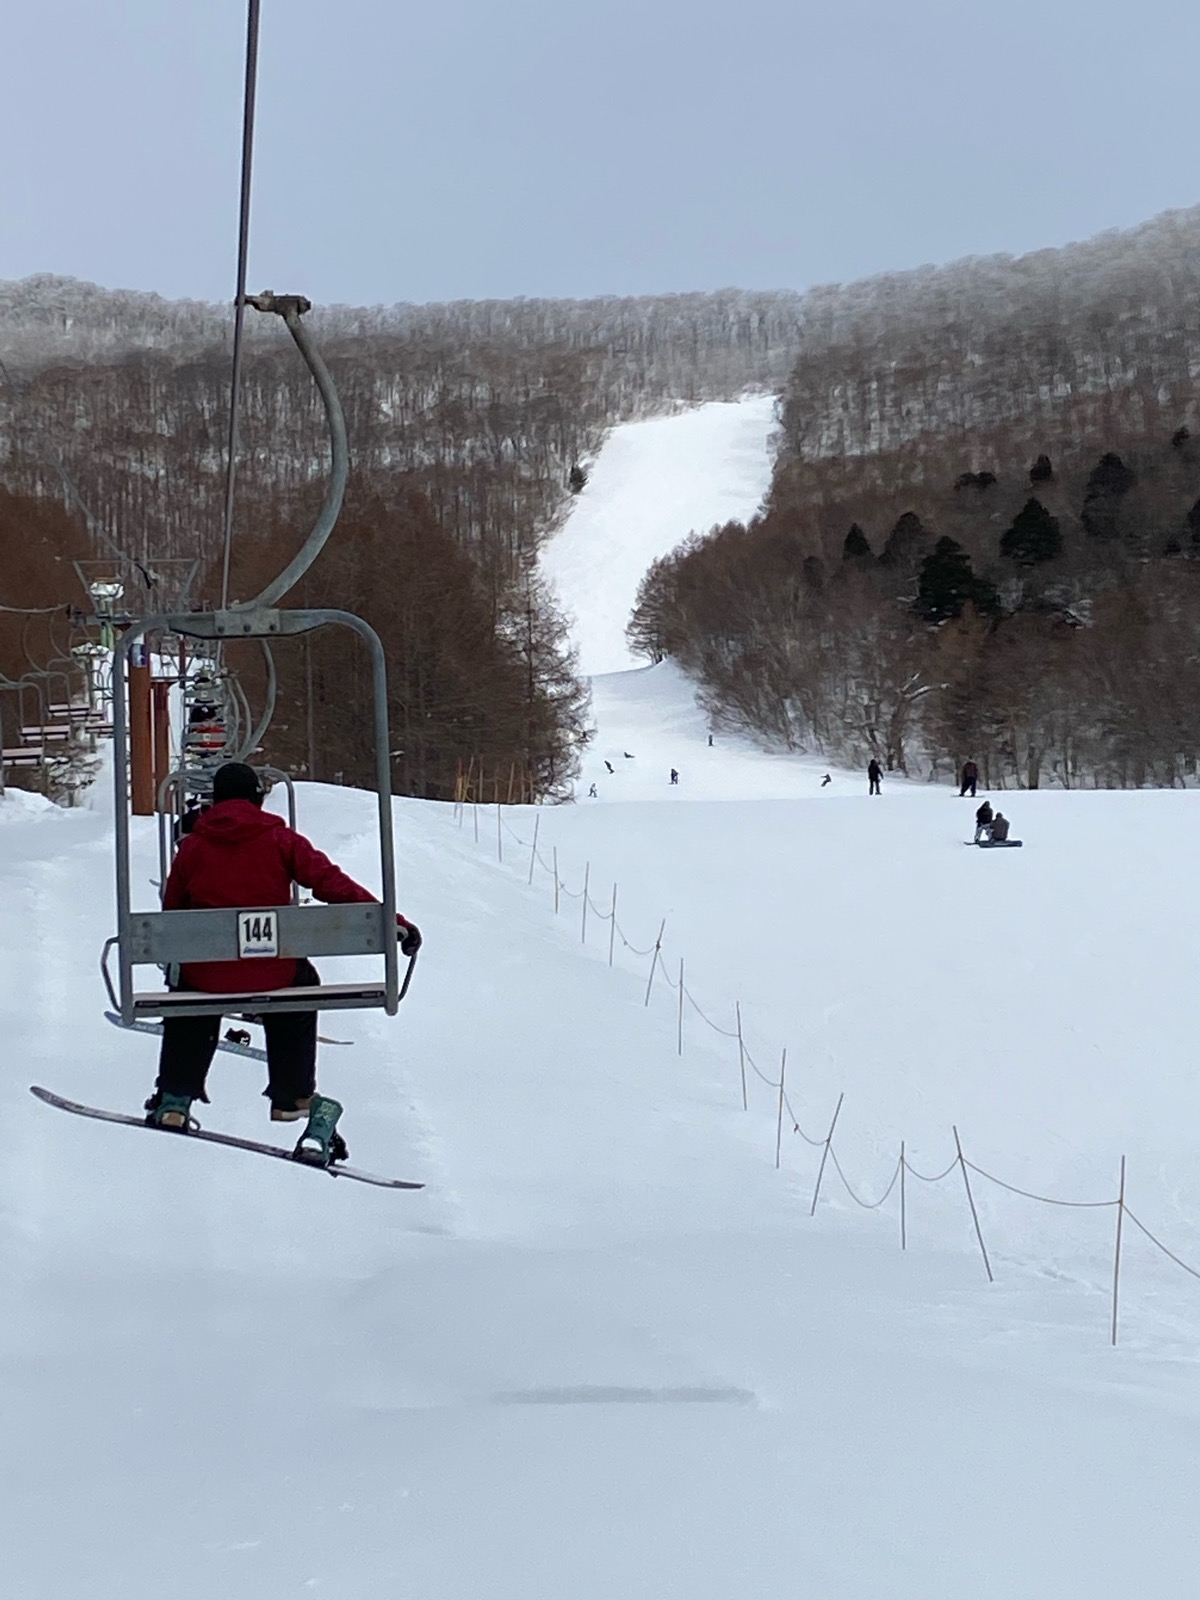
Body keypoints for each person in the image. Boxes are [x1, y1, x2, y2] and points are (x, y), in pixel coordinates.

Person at [143, 762, 422, 1165]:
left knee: (192, 990)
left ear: (215, 802)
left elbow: (173, 920)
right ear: (258, 798)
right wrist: (394, 922)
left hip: (207, 977)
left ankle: (176, 1095)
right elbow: (332, 883)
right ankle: (292, 1096)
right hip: (273, 971)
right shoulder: (280, 840)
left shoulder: (193, 848)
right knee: (299, 984)